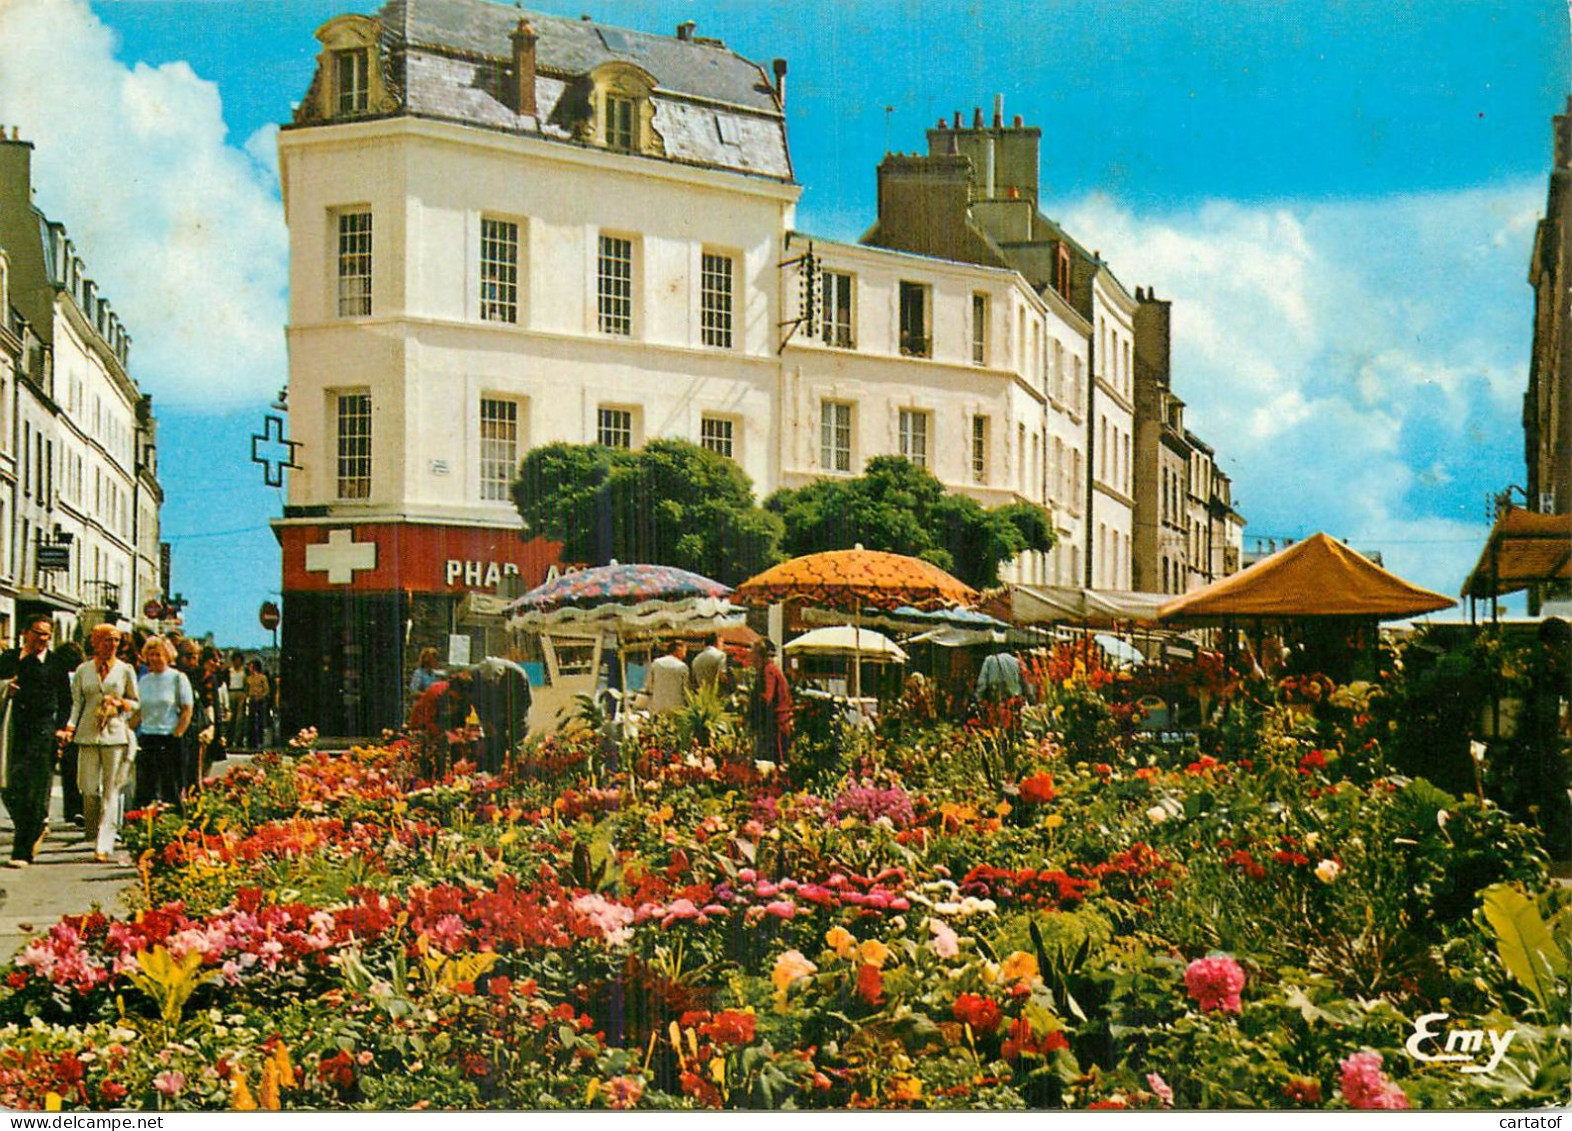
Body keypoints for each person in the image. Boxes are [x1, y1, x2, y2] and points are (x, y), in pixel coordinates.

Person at [0, 615, 72, 868]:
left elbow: (66, 701)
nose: (42, 639)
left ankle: (21, 851)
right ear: (24, 633)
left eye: (46, 635)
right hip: (12, 729)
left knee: (34, 789)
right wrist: (5, 687)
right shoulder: (8, 659)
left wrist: (62, 729)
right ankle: (37, 822)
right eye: (38, 633)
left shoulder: (55, 663)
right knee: (9, 788)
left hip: (43, 731)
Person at [63, 624, 139, 863]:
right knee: (88, 788)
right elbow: (76, 703)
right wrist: (70, 727)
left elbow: (135, 703)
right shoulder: (83, 670)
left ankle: (104, 843)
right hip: (87, 733)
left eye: (116, 640)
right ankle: (93, 828)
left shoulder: (125, 670)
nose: (112, 645)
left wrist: (120, 704)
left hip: (115, 735)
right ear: (95, 642)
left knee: (112, 790)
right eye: (107, 640)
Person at [135, 636, 192, 807]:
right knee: (146, 788)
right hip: (148, 737)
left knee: (171, 788)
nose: (154, 658)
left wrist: (177, 734)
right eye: (150, 654)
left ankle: (174, 826)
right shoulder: (144, 680)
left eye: (158, 654)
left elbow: (187, 709)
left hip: (169, 738)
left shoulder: (177, 678)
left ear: (167, 656)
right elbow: (139, 711)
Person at [52, 639, 85, 827]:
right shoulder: (81, 675)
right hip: (81, 725)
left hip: (65, 724)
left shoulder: (59, 675)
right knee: (81, 770)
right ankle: (80, 808)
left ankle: (71, 810)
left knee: (68, 770)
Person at [747, 639, 792, 765]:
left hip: (774, 726)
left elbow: (766, 698)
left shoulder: (768, 671)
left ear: (759, 656)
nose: (751, 658)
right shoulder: (769, 670)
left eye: (753, 654)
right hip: (775, 725)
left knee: (774, 765)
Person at [642, 639, 691, 715]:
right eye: (684, 651)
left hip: (658, 707)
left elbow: (649, 686)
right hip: (677, 709)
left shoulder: (656, 663)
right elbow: (686, 690)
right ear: (678, 650)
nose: (685, 654)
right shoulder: (682, 667)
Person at [245, 659, 272, 750]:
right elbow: (246, 690)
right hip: (252, 700)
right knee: (251, 721)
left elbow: (267, 690)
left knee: (260, 720)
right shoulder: (248, 678)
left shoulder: (262, 677)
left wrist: (261, 696)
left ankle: (260, 741)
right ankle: (251, 742)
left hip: (260, 701)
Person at [225, 650, 248, 749]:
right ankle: (229, 739)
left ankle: (238, 740)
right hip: (231, 692)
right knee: (231, 717)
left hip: (241, 692)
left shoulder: (244, 671)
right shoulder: (229, 671)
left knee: (240, 718)